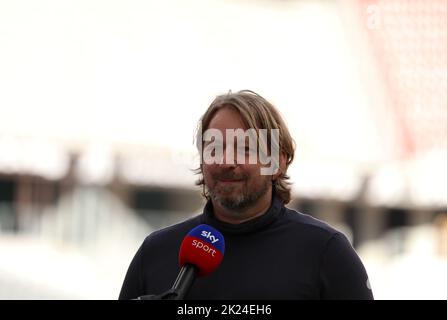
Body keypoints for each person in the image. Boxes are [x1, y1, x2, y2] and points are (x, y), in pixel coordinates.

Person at [119, 90, 374, 300]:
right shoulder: (155, 252)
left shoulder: (326, 252)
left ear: (278, 163)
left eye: (246, 149)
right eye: (215, 147)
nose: (227, 161)